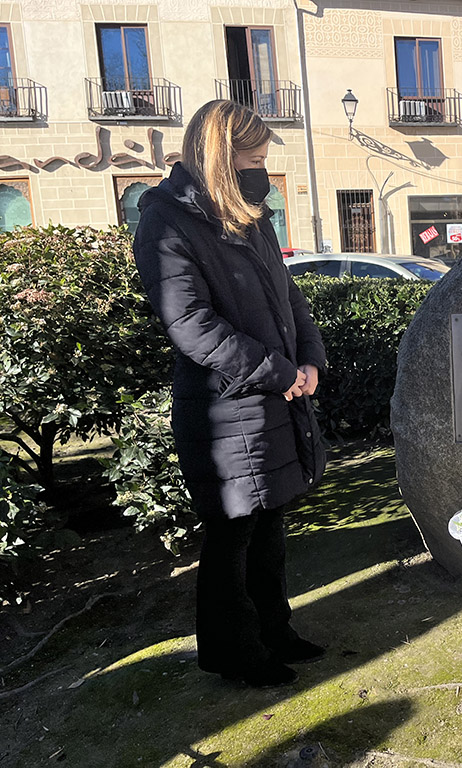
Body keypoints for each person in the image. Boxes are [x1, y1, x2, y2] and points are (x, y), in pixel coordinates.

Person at [133, 100, 327, 688]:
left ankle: (275, 631)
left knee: (269, 526)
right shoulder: (166, 221)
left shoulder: (251, 214)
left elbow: (289, 296)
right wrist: (277, 371)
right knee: (231, 536)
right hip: (223, 408)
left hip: (270, 398)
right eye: (254, 159)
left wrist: (310, 358)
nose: (262, 171)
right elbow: (190, 323)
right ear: (222, 157)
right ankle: (236, 652)